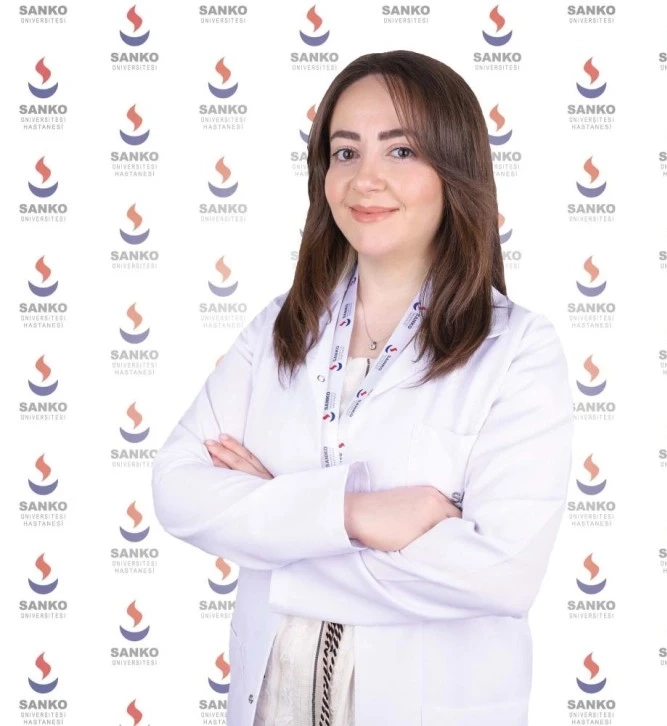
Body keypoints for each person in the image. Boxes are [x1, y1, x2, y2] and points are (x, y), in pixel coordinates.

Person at [151, 49, 574, 726]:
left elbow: (499, 573)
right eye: (345, 153)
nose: (365, 179)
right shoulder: (282, 327)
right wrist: (355, 515)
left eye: (400, 151)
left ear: (456, 170)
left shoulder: (516, 348)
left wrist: (275, 528)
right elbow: (178, 488)